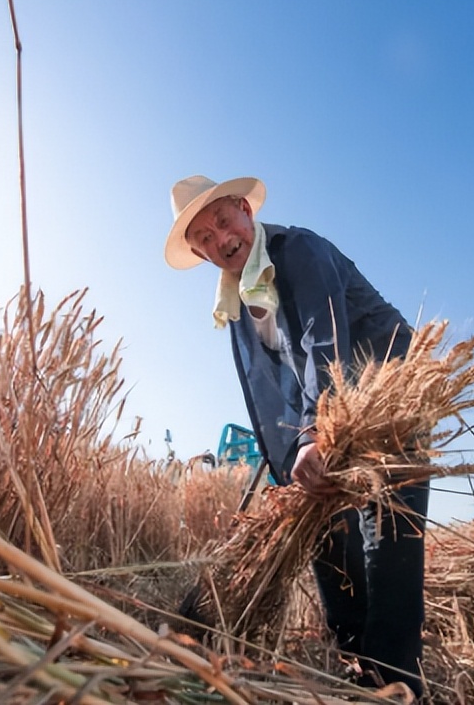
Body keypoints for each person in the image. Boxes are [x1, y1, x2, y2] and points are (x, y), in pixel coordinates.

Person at [164, 174, 430, 695]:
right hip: (329, 412)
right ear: (198, 252)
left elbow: (323, 337)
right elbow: (270, 390)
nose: (221, 241)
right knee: (323, 532)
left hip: (388, 397)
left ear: (244, 209)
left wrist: (313, 429)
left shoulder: (298, 250)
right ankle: (355, 661)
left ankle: (394, 680)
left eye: (222, 222)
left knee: (389, 526)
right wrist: (290, 463)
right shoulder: (238, 305)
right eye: (205, 240)